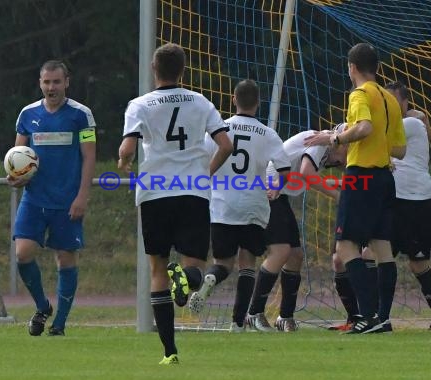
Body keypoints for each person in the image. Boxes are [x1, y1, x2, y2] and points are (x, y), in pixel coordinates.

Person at [117, 43, 232, 365]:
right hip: (192, 190)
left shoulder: (140, 104)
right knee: (193, 264)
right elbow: (225, 144)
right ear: (183, 70)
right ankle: (186, 277)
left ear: (154, 69)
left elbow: (128, 147)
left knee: (157, 270)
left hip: (155, 191)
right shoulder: (200, 102)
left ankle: (169, 352)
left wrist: (124, 162)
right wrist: (206, 171)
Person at [305, 42, 406, 334]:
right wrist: (379, 150)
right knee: (382, 249)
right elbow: (399, 150)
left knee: (346, 245)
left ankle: (368, 316)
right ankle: (383, 319)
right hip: (385, 178)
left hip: (361, 176)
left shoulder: (360, 94)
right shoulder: (389, 99)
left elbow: (364, 128)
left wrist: (335, 138)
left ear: (352, 68)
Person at [186, 79, 291, 333]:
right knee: (247, 264)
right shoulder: (268, 134)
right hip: (254, 206)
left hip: (222, 206)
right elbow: (285, 169)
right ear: (258, 103)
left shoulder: (220, 130)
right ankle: (237, 323)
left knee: (223, 262)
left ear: (234, 99)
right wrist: (276, 187)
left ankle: (211, 278)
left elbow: (202, 160)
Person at [7, 60, 96, 337]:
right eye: (46, 82)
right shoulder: (28, 114)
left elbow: (89, 156)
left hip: (67, 200)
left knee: (66, 260)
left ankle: (59, 325)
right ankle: (43, 306)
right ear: (40, 83)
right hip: (34, 199)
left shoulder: (81, 115)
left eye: (56, 82)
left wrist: (82, 195)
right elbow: (18, 155)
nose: (51, 87)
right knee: (22, 254)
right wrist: (17, 176)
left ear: (66, 82)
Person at [245, 129, 344, 332]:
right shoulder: (321, 142)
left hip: (278, 193)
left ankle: (285, 317)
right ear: (341, 143)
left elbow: (305, 175)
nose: (345, 161)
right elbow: (307, 174)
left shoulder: (325, 148)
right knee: (281, 252)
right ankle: (253, 313)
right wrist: (337, 196)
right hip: (269, 191)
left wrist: (340, 184)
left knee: (295, 255)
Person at [384, 81, 431, 330]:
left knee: (416, 263)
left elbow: (374, 134)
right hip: (399, 200)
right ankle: (378, 317)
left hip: (415, 202)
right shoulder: (410, 122)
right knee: (380, 256)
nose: (388, 105)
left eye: (392, 100)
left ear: (404, 103)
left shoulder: (409, 124)